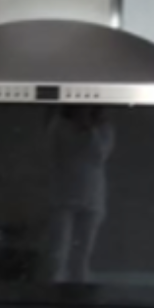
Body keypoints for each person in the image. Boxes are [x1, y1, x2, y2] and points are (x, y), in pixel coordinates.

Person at [45, 106, 116, 284]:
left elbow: (99, 155)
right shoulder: (60, 125)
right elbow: (59, 151)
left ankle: (80, 289)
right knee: (58, 251)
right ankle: (55, 289)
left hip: (92, 194)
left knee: (83, 253)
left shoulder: (104, 128)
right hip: (63, 193)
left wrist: (89, 129)